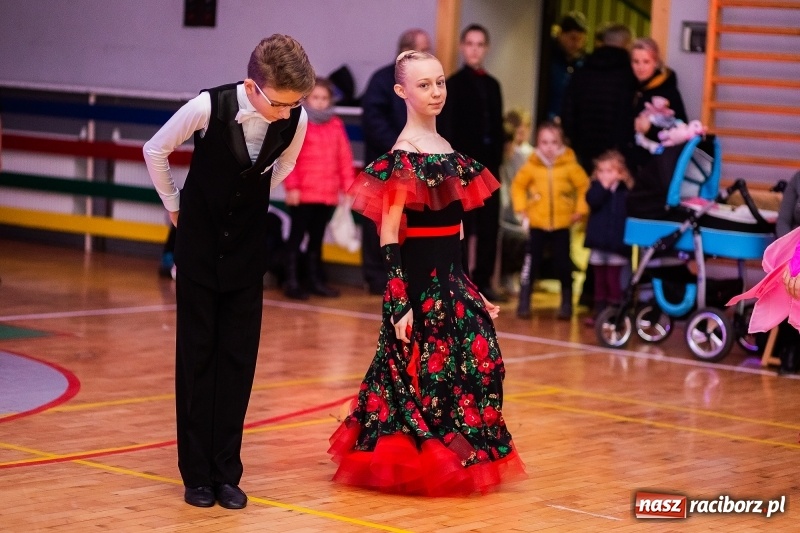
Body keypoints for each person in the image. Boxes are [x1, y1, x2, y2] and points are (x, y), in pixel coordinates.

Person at [328, 50, 526, 496]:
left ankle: (460, 454)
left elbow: (454, 237)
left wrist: (470, 287)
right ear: (401, 91)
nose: (436, 92)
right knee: (425, 377)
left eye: (439, 82)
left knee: (479, 366)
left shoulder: (449, 153)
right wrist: (399, 301)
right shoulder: (403, 155)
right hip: (416, 290)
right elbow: (390, 232)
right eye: (424, 85)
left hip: (451, 285)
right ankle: (421, 459)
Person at [142, 34, 315, 509]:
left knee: (238, 361)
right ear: (251, 87)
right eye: (279, 103)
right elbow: (154, 150)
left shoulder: (296, 117)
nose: (287, 112)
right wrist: (176, 209)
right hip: (198, 251)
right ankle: (196, 474)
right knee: (197, 358)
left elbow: (288, 163)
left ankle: (227, 473)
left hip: (246, 253)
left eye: (294, 103)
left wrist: (255, 187)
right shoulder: (208, 106)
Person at [438, 24, 507, 302]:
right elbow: (449, 127)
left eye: (480, 44)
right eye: (470, 43)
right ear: (461, 47)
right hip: (463, 166)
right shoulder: (452, 85)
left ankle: (484, 280)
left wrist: (497, 162)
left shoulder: (493, 85)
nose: (474, 49)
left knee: (490, 225)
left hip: (488, 167)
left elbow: (498, 128)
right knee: (463, 225)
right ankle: (461, 278)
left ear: (486, 49)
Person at [360, 29, 432, 295]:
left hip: (416, 164)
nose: (428, 54)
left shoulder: (424, 83)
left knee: (409, 221)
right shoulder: (381, 80)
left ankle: (404, 275)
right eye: (422, 49)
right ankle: (376, 276)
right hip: (386, 161)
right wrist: (403, 147)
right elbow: (373, 121)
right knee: (379, 220)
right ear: (406, 53)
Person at [282, 77, 355, 300]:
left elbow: (344, 158)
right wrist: (292, 187)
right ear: (307, 99)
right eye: (316, 97)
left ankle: (314, 280)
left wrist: (348, 187)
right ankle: (291, 280)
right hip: (303, 193)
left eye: (324, 98)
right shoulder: (299, 122)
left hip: (327, 193)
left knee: (317, 239)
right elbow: (288, 157)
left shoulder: (336, 124)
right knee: (296, 237)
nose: (321, 102)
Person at [511, 121, 589, 320]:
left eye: (554, 142)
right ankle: (524, 300)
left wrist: (580, 210)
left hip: (562, 225)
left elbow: (584, 187)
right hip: (537, 224)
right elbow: (518, 186)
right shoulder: (531, 166)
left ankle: (566, 302)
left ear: (561, 143)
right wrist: (522, 209)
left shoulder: (570, 165)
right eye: (544, 142)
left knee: (564, 264)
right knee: (531, 262)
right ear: (537, 143)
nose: (549, 147)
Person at [583, 150, 633, 326]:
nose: (605, 175)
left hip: (616, 246)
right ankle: (600, 312)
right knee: (599, 281)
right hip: (598, 244)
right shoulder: (595, 190)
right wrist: (603, 188)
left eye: (610, 171)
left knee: (614, 281)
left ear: (620, 173)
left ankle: (615, 314)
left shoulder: (625, 193)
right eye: (601, 171)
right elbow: (593, 201)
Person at [630, 37, 688, 173]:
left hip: (657, 163)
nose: (640, 67)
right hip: (629, 161)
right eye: (636, 62)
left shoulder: (668, 91)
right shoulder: (627, 87)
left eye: (646, 62)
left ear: (655, 62)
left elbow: (681, 129)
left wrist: (650, 129)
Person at [498, 109, 534, 294]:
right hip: (509, 208)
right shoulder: (506, 156)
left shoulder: (530, 155)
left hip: (522, 207)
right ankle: (507, 276)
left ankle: (519, 275)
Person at [543, 12, 587, 122]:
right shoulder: (547, 59)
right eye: (573, 38)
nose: (576, 44)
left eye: (580, 39)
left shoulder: (583, 63)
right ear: (560, 35)